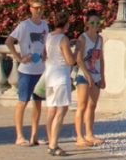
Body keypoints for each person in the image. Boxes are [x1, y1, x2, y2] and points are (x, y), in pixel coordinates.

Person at [5, 0, 48, 147]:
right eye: (36, 8)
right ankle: (19, 136)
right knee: (22, 102)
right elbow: (9, 41)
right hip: (26, 71)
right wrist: (18, 57)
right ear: (30, 9)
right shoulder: (24, 25)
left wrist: (45, 54)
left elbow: (45, 43)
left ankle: (34, 136)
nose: (39, 11)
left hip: (40, 70)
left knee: (38, 103)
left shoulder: (45, 25)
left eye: (41, 7)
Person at [43, 13, 76, 157]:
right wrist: (77, 51)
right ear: (66, 24)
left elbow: (45, 55)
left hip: (49, 75)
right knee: (61, 111)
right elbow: (70, 61)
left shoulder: (49, 36)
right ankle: (53, 144)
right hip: (60, 77)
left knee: (51, 110)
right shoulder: (63, 39)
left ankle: (50, 140)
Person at [74, 10, 106, 147]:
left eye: (97, 23)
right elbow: (79, 59)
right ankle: (79, 136)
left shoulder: (100, 39)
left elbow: (101, 59)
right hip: (84, 75)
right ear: (87, 23)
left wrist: (102, 77)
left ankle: (89, 133)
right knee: (82, 105)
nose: (95, 25)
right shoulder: (83, 38)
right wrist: (87, 75)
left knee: (92, 105)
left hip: (96, 74)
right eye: (92, 22)